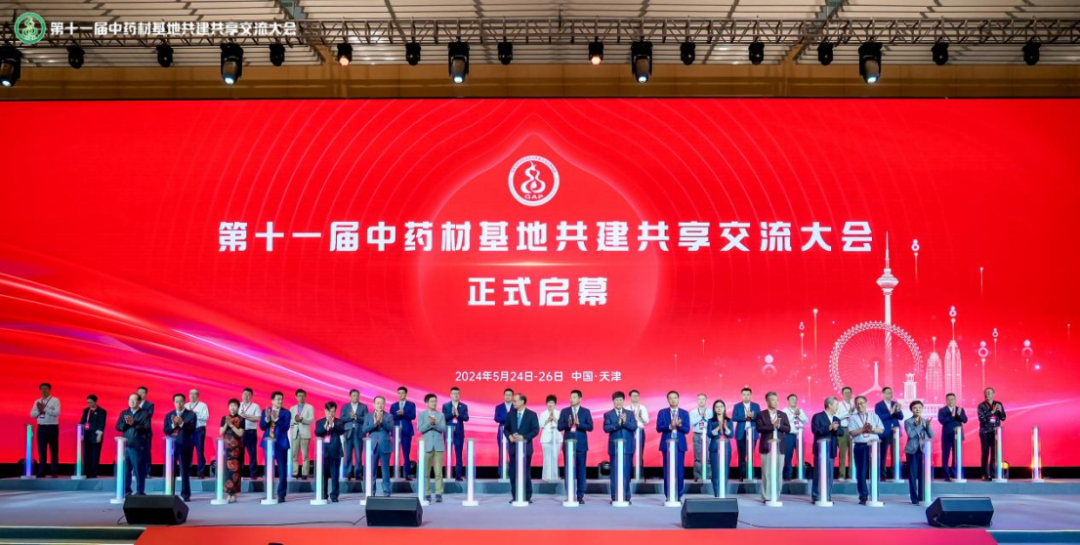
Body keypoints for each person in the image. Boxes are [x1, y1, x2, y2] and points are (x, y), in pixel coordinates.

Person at [558, 389, 593, 503]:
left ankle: (580, 495)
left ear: (579, 399)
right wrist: (568, 424)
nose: (571, 399)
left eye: (574, 397)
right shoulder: (564, 411)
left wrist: (579, 424)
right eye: (570, 397)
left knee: (581, 470)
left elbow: (590, 427)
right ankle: (569, 494)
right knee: (568, 470)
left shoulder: (586, 411)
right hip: (568, 444)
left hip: (581, 445)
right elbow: (559, 427)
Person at [755, 392, 791, 503]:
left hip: (780, 447)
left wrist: (779, 426)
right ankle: (766, 496)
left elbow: (788, 429)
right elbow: (759, 428)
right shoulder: (761, 414)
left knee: (778, 472)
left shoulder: (783, 414)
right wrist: (772, 426)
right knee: (767, 473)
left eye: (777, 400)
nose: (776, 402)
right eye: (773, 400)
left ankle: (776, 495)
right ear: (767, 401)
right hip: (767, 447)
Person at [848, 395, 884, 505]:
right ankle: (863, 496)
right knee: (861, 472)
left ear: (866, 403)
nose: (860, 406)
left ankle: (875, 495)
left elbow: (881, 430)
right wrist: (863, 429)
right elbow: (852, 433)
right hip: (860, 446)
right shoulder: (853, 418)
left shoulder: (874, 416)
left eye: (862, 403)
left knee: (875, 471)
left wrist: (872, 429)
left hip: (873, 446)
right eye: (857, 404)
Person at [504, 393, 539, 503]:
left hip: (526, 448)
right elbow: (506, 429)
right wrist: (509, 436)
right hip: (513, 448)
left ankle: (527, 496)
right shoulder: (511, 414)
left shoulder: (532, 414)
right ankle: (515, 496)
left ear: (522, 402)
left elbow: (535, 430)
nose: (513, 402)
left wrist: (524, 437)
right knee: (513, 473)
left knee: (525, 472)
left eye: (515, 401)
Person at [603, 391, 637, 503]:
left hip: (627, 447)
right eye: (616, 400)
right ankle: (614, 496)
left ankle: (626, 496)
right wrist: (618, 423)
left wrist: (624, 422)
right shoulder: (608, 414)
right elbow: (606, 428)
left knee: (626, 473)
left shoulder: (630, 413)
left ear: (623, 401)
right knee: (614, 473)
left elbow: (634, 427)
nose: (619, 402)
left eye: (620, 400)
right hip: (614, 448)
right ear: (613, 401)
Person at [656, 391, 691, 501]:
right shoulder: (662, 412)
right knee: (667, 471)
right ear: (668, 400)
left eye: (675, 398)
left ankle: (678, 496)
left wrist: (679, 425)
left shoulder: (684, 413)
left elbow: (687, 430)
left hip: (679, 445)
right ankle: (669, 496)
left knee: (679, 471)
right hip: (667, 445)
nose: (673, 400)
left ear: (678, 399)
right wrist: (670, 426)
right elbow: (658, 428)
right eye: (670, 398)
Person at [163, 393, 197, 502]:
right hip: (171, 446)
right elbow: (166, 430)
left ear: (184, 402)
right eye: (176, 402)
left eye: (181, 401)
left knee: (184, 471)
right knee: (170, 470)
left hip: (185, 446)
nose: (179, 404)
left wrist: (182, 423)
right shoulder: (169, 415)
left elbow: (192, 430)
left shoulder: (191, 415)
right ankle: (170, 493)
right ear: (174, 403)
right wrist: (173, 425)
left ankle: (186, 494)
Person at [116, 393, 151, 496]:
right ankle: (127, 491)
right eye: (130, 399)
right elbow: (118, 427)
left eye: (134, 400)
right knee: (126, 470)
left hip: (137, 446)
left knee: (138, 470)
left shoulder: (144, 414)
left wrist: (134, 424)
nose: (131, 401)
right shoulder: (124, 413)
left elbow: (147, 429)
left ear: (139, 402)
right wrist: (126, 424)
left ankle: (140, 492)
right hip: (125, 445)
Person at [259, 391, 291, 502]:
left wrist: (276, 419)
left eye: (281, 399)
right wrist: (267, 419)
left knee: (282, 470)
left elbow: (285, 428)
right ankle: (269, 493)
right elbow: (262, 427)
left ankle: (281, 494)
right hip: (268, 443)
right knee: (268, 469)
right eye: (278, 399)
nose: (280, 401)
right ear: (272, 400)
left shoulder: (286, 413)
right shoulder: (266, 411)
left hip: (281, 444)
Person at [810, 397, 842, 503]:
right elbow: (815, 430)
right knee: (818, 474)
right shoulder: (817, 416)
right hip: (820, 450)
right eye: (836, 405)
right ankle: (816, 496)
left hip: (831, 449)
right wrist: (829, 428)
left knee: (830, 475)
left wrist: (836, 429)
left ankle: (827, 496)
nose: (837, 407)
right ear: (829, 405)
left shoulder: (836, 419)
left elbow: (841, 432)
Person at [363, 395, 395, 496]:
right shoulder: (368, 416)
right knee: (371, 471)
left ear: (384, 404)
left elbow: (391, 428)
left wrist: (382, 421)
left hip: (385, 445)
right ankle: (371, 491)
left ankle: (386, 491)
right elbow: (364, 429)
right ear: (373, 404)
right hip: (372, 446)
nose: (380, 405)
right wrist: (374, 424)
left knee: (385, 470)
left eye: (382, 403)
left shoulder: (389, 416)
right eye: (377, 403)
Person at [418, 393, 447, 503]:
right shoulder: (422, 415)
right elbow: (420, 429)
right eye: (432, 401)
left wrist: (435, 423)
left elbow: (443, 428)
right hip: (426, 446)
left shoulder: (441, 415)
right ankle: (427, 493)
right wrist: (430, 424)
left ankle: (439, 493)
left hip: (438, 446)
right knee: (426, 472)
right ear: (426, 403)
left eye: (435, 401)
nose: (434, 403)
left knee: (438, 472)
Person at [904, 401, 934, 504]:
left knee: (922, 475)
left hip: (923, 450)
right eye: (915, 408)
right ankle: (914, 498)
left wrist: (928, 426)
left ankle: (922, 496)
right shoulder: (908, 421)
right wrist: (920, 426)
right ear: (911, 409)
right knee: (912, 475)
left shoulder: (925, 421)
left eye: (919, 407)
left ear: (922, 409)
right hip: (912, 450)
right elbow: (911, 434)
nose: (917, 409)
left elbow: (931, 435)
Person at [315, 401, 345, 502]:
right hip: (323, 452)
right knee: (323, 475)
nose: (330, 414)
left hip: (335, 451)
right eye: (329, 411)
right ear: (325, 411)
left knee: (335, 475)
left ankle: (334, 495)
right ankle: (323, 494)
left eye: (333, 411)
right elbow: (317, 432)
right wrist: (325, 426)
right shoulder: (320, 422)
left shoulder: (339, 422)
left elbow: (341, 431)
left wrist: (332, 425)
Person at [30, 383, 61, 478]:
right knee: (42, 450)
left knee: (53, 450)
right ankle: (41, 471)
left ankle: (54, 471)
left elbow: (57, 413)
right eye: (42, 389)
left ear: (49, 390)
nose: (43, 391)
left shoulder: (55, 400)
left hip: (52, 427)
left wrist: (46, 408)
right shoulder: (37, 401)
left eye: (46, 389)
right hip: (41, 427)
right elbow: (32, 414)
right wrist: (39, 411)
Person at [977, 387, 1006, 481]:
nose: (988, 395)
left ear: (993, 394)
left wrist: (1000, 411)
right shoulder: (981, 405)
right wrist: (992, 412)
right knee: (985, 453)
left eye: (989, 393)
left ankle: (993, 474)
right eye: (986, 393)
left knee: (994, 454)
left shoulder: (998, 404)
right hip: (985, 432)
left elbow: (1003, 418)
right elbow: (982, 419)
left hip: (995, 432)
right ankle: (985, 474)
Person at [937, 392, 968, 481]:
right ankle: (946, 475)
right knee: (945, 456)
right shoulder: (942, 410)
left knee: (956, 456)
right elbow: (942, 421)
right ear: (946, 400)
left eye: (952, 399)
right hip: (947, 436)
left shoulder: (960, 409)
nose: (951, 401)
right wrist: (952, 416)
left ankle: (954, 473)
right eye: (949, 400)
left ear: (955, 400)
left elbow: (965, 420)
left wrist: (958, 415)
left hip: (958, 435)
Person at [874, 386, 903, 478]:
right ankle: (882, 474)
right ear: (883, 394)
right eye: (888, 393)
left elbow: (901, 417)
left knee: (895, 454)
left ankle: (894, 474)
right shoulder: (878, 405)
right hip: (884, 432)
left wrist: (898, 411)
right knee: (883, 454)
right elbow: (879, 418)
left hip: (895, 432)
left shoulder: (895, 404)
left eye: (891, 393)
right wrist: (890, 413)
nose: (890, 394)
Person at [732, 387, 760, 481]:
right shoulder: (737, 406)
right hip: (741, 433)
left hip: (752, 432)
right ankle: (742, 475)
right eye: (744, 395)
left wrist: (752, 417)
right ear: (741, 395)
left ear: (751, 395)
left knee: (751, 455)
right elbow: (734, 418)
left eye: (748, 395)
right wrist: (745, 417)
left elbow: (759, 418)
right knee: (742, 455)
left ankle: (750, 474)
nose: (746, 396)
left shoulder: (756, 406)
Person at [219, 399, 244, 503]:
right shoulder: (224, 418)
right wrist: (226, 424)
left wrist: (232, 425)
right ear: (228, 407)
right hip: (227, 448)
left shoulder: (241, 419)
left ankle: (234, 493)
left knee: (235, 471)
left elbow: (240, 433)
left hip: (236, 449)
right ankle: (229, 493)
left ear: (238, 407)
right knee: (227, 471)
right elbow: (221, 432)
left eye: (235, 406)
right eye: (231, 406)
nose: (233, 408)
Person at [441, 387, 469, 481]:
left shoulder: (464, 406)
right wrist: (452, 414)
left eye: (457, 393)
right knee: (448, 453)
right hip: (448, 432)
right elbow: (443, 417)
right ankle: (448, 473)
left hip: (459, 433)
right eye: (454, 393)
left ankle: (458, 475)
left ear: (459, 395)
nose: (456, 395)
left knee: (459, 454)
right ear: (450, 395)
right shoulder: (446, 405)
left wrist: (458, 415)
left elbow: (466, 418)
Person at [706, 399, 733, 498]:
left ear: (724, 408)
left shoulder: (729, 420)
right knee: (715, 472)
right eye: (717, 407)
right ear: (714, 409)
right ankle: (717, 494)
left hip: (726, 449)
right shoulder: (711, 421)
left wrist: (725, 427)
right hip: (714, 449)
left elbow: (731, 435)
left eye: (721, 406)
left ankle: (723, 494)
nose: (719, 408)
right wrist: (718, 427)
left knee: (725, 471)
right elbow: (709, 434)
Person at [391, 386, 417, 481]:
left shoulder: (411, 404)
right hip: (396, 431)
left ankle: (406, 474)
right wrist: (398, 414)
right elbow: (391, 417)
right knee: (395, 452)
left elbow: (413, 416)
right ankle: (396, 473)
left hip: (406, 431)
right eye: (399, 393)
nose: (400, 395)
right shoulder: (393, 405)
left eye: (402, 393)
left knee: (406, 453)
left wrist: (404, 413)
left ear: (406, 394)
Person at [288, 389, 315, 480]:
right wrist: (295, 420)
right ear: (296, 397)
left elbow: (311, 420)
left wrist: (302, 419)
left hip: (305, 433)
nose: (301, 397)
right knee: (294, 455)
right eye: (299, 396)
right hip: (295, 433)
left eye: (303, 396)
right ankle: (295, 472)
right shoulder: (292, 408)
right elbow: (290, 421)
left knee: (305, 455)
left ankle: (304, 473)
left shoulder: (310, 407)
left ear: (305, 396)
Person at [341, 389, 368, 481]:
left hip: (359, 433)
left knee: (358, 455)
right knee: (347, 455)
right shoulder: (345, 407)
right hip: (348, 433)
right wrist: (350, 417)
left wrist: (356, 417)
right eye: (354, 395)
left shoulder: (363, 407)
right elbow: (342, 418)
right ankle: (348, 473)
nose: (356, 397)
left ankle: (358, 474)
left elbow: (366, 418)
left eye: (357, 395)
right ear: (350, 396)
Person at [781, 393, 809, 480]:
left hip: (799, 435)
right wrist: (794, 415)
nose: (794, 401)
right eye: (792, 399)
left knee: (801, 457)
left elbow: (806, 421)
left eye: (795, 399)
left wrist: (799, 414)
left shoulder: (800, 410)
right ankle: (787, 477)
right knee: (788, 457)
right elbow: (784, 422)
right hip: (789, 435)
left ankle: (801, 476)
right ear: (788, 401)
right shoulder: (784, 411)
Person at [79, 394, 107, 478]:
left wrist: (99, 435)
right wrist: (81, 433)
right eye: (88, 402)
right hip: (86, 435)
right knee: (86, 454)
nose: (89, 404)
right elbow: (82, 422)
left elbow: (102, 424)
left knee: (95, 454)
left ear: (95, 402)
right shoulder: (86, 410)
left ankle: (93, 473)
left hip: (95, 435)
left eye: (91, 402)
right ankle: (86, 472)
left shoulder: (101, 411)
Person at [185, 389, 210, 478]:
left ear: (198, 396)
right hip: (188, 430)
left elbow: (206, 417)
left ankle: (200, 472)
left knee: (200, 451)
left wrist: (195, 414)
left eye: (194, 394)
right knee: (187, 452)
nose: (192, 396)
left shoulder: (202, 405)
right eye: (191, 394)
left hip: (199, 430)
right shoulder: (186, 405)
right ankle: (186, 472)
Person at [688, 393, 712, 483]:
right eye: (699, 399)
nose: (701, 401)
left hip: (707, 435)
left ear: (706, 401)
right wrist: (700, 417)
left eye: (703, 399)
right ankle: (698, 476)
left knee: (708, 456)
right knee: (698, 457)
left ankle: (708, 476)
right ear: (697, 401)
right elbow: (691, 422)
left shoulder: (710, 412)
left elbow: (711, 423)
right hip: (697, 434)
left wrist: (705, 418)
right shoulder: (693, 412)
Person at [238, 388, 261, 478]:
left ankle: (253, 473)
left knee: (252, 453)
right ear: (242, 395)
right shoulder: (238, 405)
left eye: (248, 395)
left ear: (251, 396)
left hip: (251, 432)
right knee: (239, 453)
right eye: (244, 394)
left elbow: (258, 418)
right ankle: (239, 473)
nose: (246, 396)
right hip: (240, 432)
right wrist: (248, 417)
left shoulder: (255, 406)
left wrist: (246, 416)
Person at [539, 395, 562, 482]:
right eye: (548, 402)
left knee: (554, 457)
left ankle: (554, 477)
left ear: (555, 404)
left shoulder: (559, 413)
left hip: (557, 438)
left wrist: (554, 419)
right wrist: (548, 420)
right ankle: (546, 477)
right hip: (546, 439)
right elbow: (541, 425)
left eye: (552, 402)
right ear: (546, 403)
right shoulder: (543, 414)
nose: (550, 404)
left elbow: (561, 424)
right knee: (547, 458)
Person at [494, 388, 515, 478]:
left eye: (509, 395)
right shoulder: (499, 407)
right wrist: (508, 418)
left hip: (513, 433)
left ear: (512, 396)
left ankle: (512, 472)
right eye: (506, 395)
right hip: (502, 432)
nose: (508, 397)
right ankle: (501, 472)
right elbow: (496, 418)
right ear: (504, 396)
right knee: (502, 453)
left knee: (512, 453)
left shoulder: (516, 407)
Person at [835, 386, 855, 480]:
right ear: (842, 394)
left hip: (853, 430)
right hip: (843, 429)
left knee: (853, 455)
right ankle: (841, 475)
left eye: (849, 393)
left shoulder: (854, 405)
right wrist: (848, 412)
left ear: (851, 394)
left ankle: (851, 475)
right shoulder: (839, 405)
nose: (847, 394)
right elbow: (836, 417)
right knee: (842, 454)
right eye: (845, 393)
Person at [628, 390, 649, 479]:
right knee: (629, 453)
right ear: (630, 397)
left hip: (640, 431)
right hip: (630, 432)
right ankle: (629, 474)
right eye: (633, 396)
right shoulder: (627, 408)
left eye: (637, 395)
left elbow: (646, 421)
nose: (635, 397)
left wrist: (640, 417)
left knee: (640, 453)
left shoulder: (642, 408)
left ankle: (640, 474)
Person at [136, 386, 155, 478]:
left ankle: (147, 472)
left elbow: (148, 415)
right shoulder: (133, 403)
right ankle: (136, 471)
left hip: (145, 433)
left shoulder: (149, 405)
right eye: (139, 392)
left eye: (142, 392)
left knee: (146, 452)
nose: (140, 394)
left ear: (146, 394)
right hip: (135, 433)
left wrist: (137, 411)